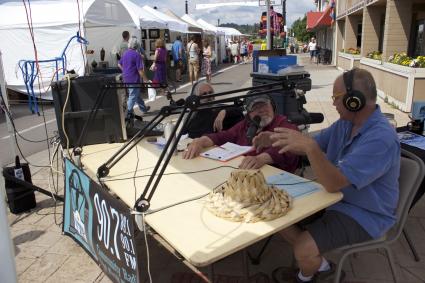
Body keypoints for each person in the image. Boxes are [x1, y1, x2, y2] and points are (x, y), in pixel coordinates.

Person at [253, 68, 400, 282]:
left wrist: (311, 148)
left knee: (303, 249)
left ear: (354, 100)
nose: (333, 104)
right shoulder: (345, 124)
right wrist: (274, 139)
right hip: (332, 200)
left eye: (336, 98)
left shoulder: (381, 138)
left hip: (364, 213)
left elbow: (334, 183)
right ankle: (320, 266)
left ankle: (306, 275)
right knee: (272, 210)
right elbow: (309, 144)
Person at [183, 94, 299, 172]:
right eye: (256, 108)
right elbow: (223, 136)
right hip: (245, 174)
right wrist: (200, 141)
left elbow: (288, 148)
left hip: (276, 178)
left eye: (264, 105)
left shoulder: (283, 124)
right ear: (248, 114)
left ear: (273, 106)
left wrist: (261, 159)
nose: (261, 110)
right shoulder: (245, 125)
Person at [118, 37, 150, 119]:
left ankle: (144, 108)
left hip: (126, 77)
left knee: (136, 94)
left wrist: (125, 70)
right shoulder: (137, 55)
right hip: (134, 78)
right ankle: (127, 112)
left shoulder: (125, 53)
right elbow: (140, 70)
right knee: (133, 95)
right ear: (137, 46)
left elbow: (119, 64)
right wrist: (146, 80)